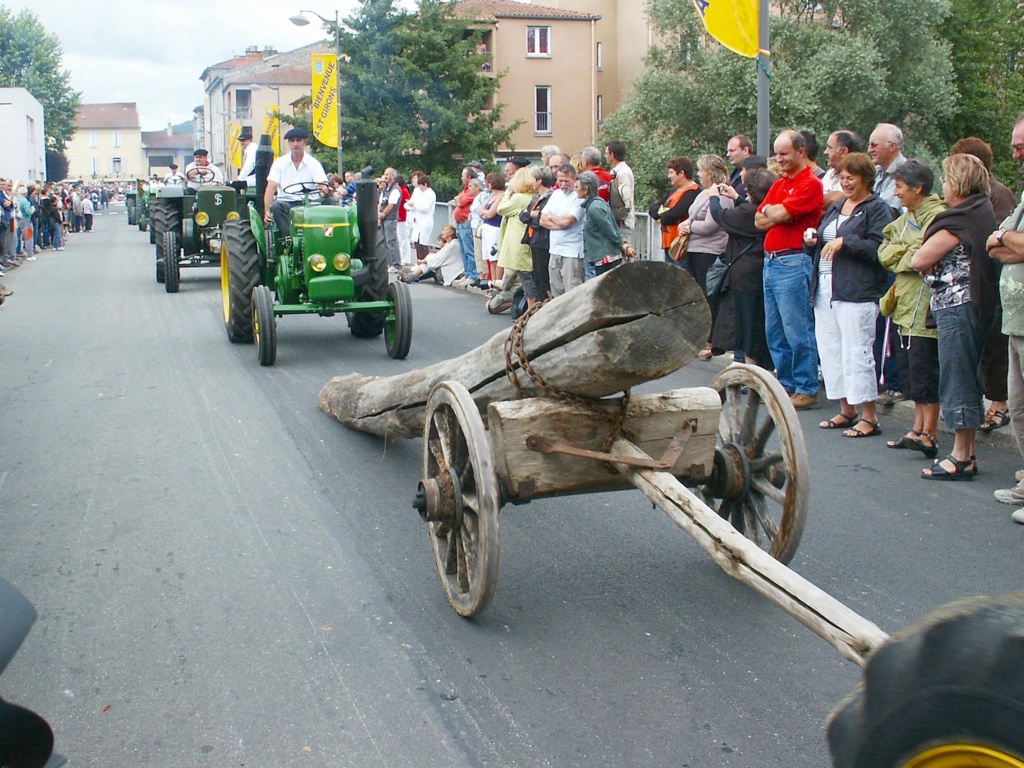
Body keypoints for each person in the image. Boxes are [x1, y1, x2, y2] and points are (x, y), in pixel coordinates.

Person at [910, 153, 998, 480]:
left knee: (957, 375)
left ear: (960, 183)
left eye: (947, 180)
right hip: (972, 306)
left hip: (957, 306)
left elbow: (921, 258)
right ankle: (969, 450)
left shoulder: (963, 217)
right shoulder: (981, 212)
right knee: (968, 376)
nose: (944, 185)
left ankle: (960, 456)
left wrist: (928, 257)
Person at [804, 152, 894, 437]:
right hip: (826, 286)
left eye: (851, 178)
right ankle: (846, 408)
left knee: (858, 350)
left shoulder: (876, 208)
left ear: (866, 179)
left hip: (857, 289)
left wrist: (847, 242)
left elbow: (878, 248)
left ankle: (869, 415)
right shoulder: (837, 207)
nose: (845, 183)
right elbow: (825, 241)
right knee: (830, 350)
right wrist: (812, 241)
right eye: (842, 177)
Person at [877, 159, 946, 459]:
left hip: (924, 305)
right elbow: (885, 251)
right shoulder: (907, 216)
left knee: (924, 370)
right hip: (904, 302)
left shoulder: (938, 215)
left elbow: (924, 254)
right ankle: (917, 427)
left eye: (900, 187)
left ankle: (930, 432)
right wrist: (907, 254)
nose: (896, 192)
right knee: (909, 369)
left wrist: (905, 254)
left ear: (919, 188)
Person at [951, 136, 1018, 434]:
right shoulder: (970, 195)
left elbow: (997, 241)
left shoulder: (999, 194)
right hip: (982, 281)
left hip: (997, 283)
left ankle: (998, 404)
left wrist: (1001, 240)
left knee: (996, 345)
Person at [755, 129, 824, 410]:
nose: (779, 159)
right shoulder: (780, 183)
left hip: (793, 261)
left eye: (784, 153)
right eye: (777, 153)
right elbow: (758, 220)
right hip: (772, 261)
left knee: (797, 328)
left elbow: (777, 214)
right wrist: (776, 212)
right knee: (775, 329)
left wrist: (775, 212)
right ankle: (786, 384)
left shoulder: (810, 183)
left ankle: (806, 386)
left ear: (800, 152)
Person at [985, 112, 1024, 516]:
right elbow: (993, 244)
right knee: (1018, 403)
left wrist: (1004, 237)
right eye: (1014, 145)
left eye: (1020, 146)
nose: (1015, 153)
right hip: (1015, 317)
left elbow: (1006, 240)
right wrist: (1005, 238)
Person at [708, 167, 776, 367]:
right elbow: (750, 209)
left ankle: (744, 370)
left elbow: (719, 215)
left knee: (741, 332)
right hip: (760, 273)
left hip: (741, 277)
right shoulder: (766, 211)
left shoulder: (746, 213)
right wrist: (737, 197)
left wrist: (713, 197)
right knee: (756, 329)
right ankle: (752, 370)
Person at [678, 154, 734, 359]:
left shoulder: (722, 195)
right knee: (701, 293)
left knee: (711, 294)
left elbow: (712, 224)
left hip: (711, 250)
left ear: (710, 173)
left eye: (701, 171)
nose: (699, 175)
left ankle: (713, 340)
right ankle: (704, 336)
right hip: (697, 249)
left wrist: (689, 226)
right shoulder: (705, 193)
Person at [262, 127, 330, 238]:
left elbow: (322, 184)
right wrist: (267, 211)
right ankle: (290, 240)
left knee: (329, 201)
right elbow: (271, 187)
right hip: (287, 204)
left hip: (311, 203)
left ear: (305, 142)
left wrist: (325, 189)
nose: (295, 144)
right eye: (292, 141)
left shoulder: (314, 163)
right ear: (289, 143)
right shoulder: (280, 163)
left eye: (298, 140)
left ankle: (326, 237)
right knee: (276, 206)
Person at [576, 170, 636, 278]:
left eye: (577, 187)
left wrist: (622, 244)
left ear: (586, 190)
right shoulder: (598, 204)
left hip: (604, 257)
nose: (575, 190)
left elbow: (610, 230)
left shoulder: (594, 208)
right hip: (603, 256)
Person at [540, 164, 587, 296]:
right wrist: (558, 223)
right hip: (554, 249)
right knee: (556, 290)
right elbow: (542, 220)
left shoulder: (578, 197)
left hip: (572, 251)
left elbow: (567, 221)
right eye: (560, 180)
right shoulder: (555, 194)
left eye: (566, 181)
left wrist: (552, 217)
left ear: (574, 180)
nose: (563, 184)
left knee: (572, 292)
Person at [492, 167, 536, 303]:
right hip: (527, 240)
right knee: (526, 276)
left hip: (518, 241)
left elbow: (501, 209)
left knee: (524, 276)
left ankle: (530, 306)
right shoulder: (532, 197)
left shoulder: (518, 198)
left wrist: (507, 194)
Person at [648, 156, 700, 264]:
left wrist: (662, 213)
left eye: (671, 173)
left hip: (681, 247)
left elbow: (674, 214)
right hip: (668, 244)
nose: (669, 176)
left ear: (681, 173)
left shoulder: (693, 192)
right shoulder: (672, 192)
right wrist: (663, 213)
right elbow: (652, 209)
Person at [519, 165, 555, 306]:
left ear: (539, 181)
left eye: (533, 179)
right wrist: (531, 215)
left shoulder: (551, 198)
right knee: (537, 277)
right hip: (533, 240)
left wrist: (533, 216)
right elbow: (523, 216)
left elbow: (542, 220)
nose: (531, 183)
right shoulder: (535, 198)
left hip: (544, 241)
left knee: (544, 279)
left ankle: (546, 304)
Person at [452, 167, 479, 284]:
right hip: (460, 224)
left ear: (469, 177)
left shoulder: (471, 191)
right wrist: (458, 200)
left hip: (466, 223)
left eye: (463, 175)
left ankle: (472, 275)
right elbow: (457, 200)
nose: (461, 177)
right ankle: (467, 272)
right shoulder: (465, 189)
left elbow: (460, 202)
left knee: (469, 250)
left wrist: (459, 200)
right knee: (463, 250)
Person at [478, 173, 506, 287]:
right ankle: (492, 281)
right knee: (490, 258)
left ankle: (497, 283)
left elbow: (490, 213)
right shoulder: (491, 196)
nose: (487, 184)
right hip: (487, 228)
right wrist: (484, 212)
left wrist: (484, 213)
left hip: (495, 228)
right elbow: (480, 209)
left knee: (495, 258)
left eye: (489, 182)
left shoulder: (501, 196)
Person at [821, 130, 861, 209]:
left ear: (843, 151)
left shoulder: (859, 177)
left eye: (829, 147)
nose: (825, 152)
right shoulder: (829, 174)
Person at [605, 140, 635, 242]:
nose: (605, 156)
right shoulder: (615, 171)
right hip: (616, 220)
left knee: (624, 251)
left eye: (606, 153)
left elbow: (626, 197)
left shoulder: (623, 173)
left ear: (612, 155)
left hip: (623, 223)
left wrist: (622, 216)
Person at [405, 173, 436, 262]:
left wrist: (414, 205)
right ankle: (419, 261)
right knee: (417, 242)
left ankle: (424, 262)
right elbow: (414, 204)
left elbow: (425, 207)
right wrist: (412, 205)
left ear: (425, 184)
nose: (420, 188)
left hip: (425, 221)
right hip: (418, 221)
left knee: (423, 243)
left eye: (421, 186)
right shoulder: (422, 193)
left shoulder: (430, 194)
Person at [376, 167, 402, 269]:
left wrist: (383, 214)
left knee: (391, 241)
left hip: (390, 219)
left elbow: (391, 205)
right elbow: (380, 202)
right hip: (383, 219)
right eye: (385, 174)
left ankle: (395, 264)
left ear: (393, 176)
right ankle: (388, 263)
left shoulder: (395, 189)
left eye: (387, 174)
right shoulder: (385, 189)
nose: (385, 176)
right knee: (384, 241)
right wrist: (378, 213)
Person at [726, 134, 754, 199]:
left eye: (732, 151)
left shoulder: (755, 174)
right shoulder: (735, 172)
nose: (728, 155)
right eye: (728, 151)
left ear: (745, 150)